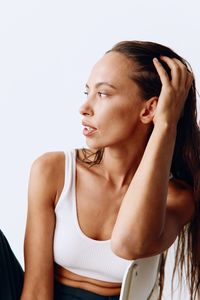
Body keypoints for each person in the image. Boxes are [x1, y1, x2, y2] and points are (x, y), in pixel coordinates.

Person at [0, 40, 199, 300]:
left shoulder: (176, 197)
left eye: (103, 94)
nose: (84, 108)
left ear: (150, 109)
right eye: (87, 92)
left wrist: (165, 125)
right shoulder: (53, 171)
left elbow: (129, 244)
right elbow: (36, 289)